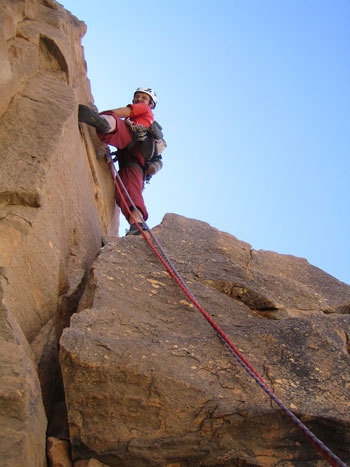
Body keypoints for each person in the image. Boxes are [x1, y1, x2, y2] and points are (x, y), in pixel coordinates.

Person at [78, 87, 164, 236]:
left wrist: (104, 114)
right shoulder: (146, 119)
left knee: (117, 124)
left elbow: (125, 112)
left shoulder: (143, 110)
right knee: (128, 189)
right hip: (134, 160)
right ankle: (137, 224)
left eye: (143, 98)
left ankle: (102, 121)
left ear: (150, 104)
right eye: (137, 96)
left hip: (134, 141)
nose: (139, 99)